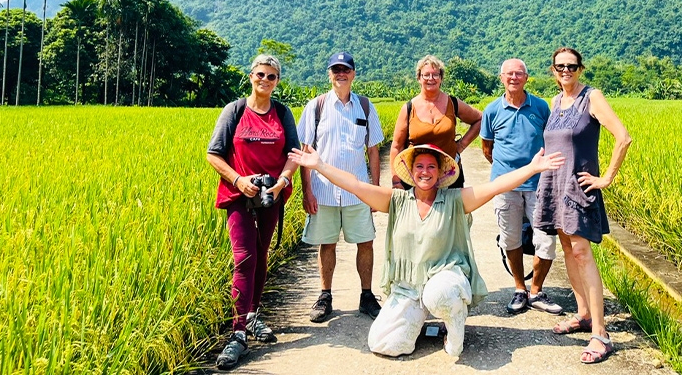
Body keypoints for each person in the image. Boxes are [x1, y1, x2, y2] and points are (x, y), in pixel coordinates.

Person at [288, 143, 565, 358]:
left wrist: (532, 168)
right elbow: (356, 185)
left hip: (446, 278)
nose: (424, 172)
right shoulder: (397, 200)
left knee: (439, 294)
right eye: (419, 166)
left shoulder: (455, 200)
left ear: (441, 172)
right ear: (410, 171)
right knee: (383, 343)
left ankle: (455, 324)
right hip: (408, 288)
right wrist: (320, 165)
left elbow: (494, 187)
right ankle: (417, 322)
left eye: (431, 167)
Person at [535, 47, 632, 365]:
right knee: (566, 249)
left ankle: (601, 334)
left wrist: (606, 178)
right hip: (554, 184)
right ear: (553, 70)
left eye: (571, 66)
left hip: (578, 186)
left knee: (581, 252)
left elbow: (623, 137)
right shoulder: (555, 102)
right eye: (560, 66)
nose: (566, 71)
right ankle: (584, 314)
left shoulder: (592, 97)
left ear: (580, 69)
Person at [206, 54, 301, 370]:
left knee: (261, 254)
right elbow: (213, 154)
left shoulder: (282, 113)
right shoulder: (234, 111)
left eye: (272, 76)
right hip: (239, 195)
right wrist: (238, 179)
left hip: (270, 196)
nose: (265, 80)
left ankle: (252, 314)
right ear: (251, 76)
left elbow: (293, 154)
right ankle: (237, 334)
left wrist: (282, 181)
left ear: (277, 81)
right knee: (244, 257)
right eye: (261, 74)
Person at [298, 51, 384, 323]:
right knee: (327, 243)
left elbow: (373, 151)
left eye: (345, 69)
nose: (340, 74)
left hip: (358, 189)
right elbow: (305, 152)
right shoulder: (316, 106)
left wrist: (376, 192)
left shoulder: (366, 107)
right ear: (329, 74)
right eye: (336, 69)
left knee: (365, 242)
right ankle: (325, 295)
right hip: (323, 190)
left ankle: (367, 295)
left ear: (353, 74)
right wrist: (307, 190)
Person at [480, 58, 563, 316]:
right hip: (506, 185)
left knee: (546, 240)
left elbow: (550, 140)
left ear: (527, 78)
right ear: (501, 78)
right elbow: (487, 149)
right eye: (509, 74)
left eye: (519, 73)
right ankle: (519, 288)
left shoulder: (539, 106)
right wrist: (510, 173)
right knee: (510, 238)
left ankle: (536, 290)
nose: (514, 77)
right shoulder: (492, 110)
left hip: (539, 185)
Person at [389, 55, 482, 190]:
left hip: (449, 174)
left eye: (435, 75)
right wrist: (396, 181)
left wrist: (461, 146)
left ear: (441, 78)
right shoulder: (409, 108)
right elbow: (396, 146)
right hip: (416, 177)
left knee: (451, 211)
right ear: (419, 78)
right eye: (426, 75)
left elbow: (479, 119)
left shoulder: (453, 103)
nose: (431, 79)